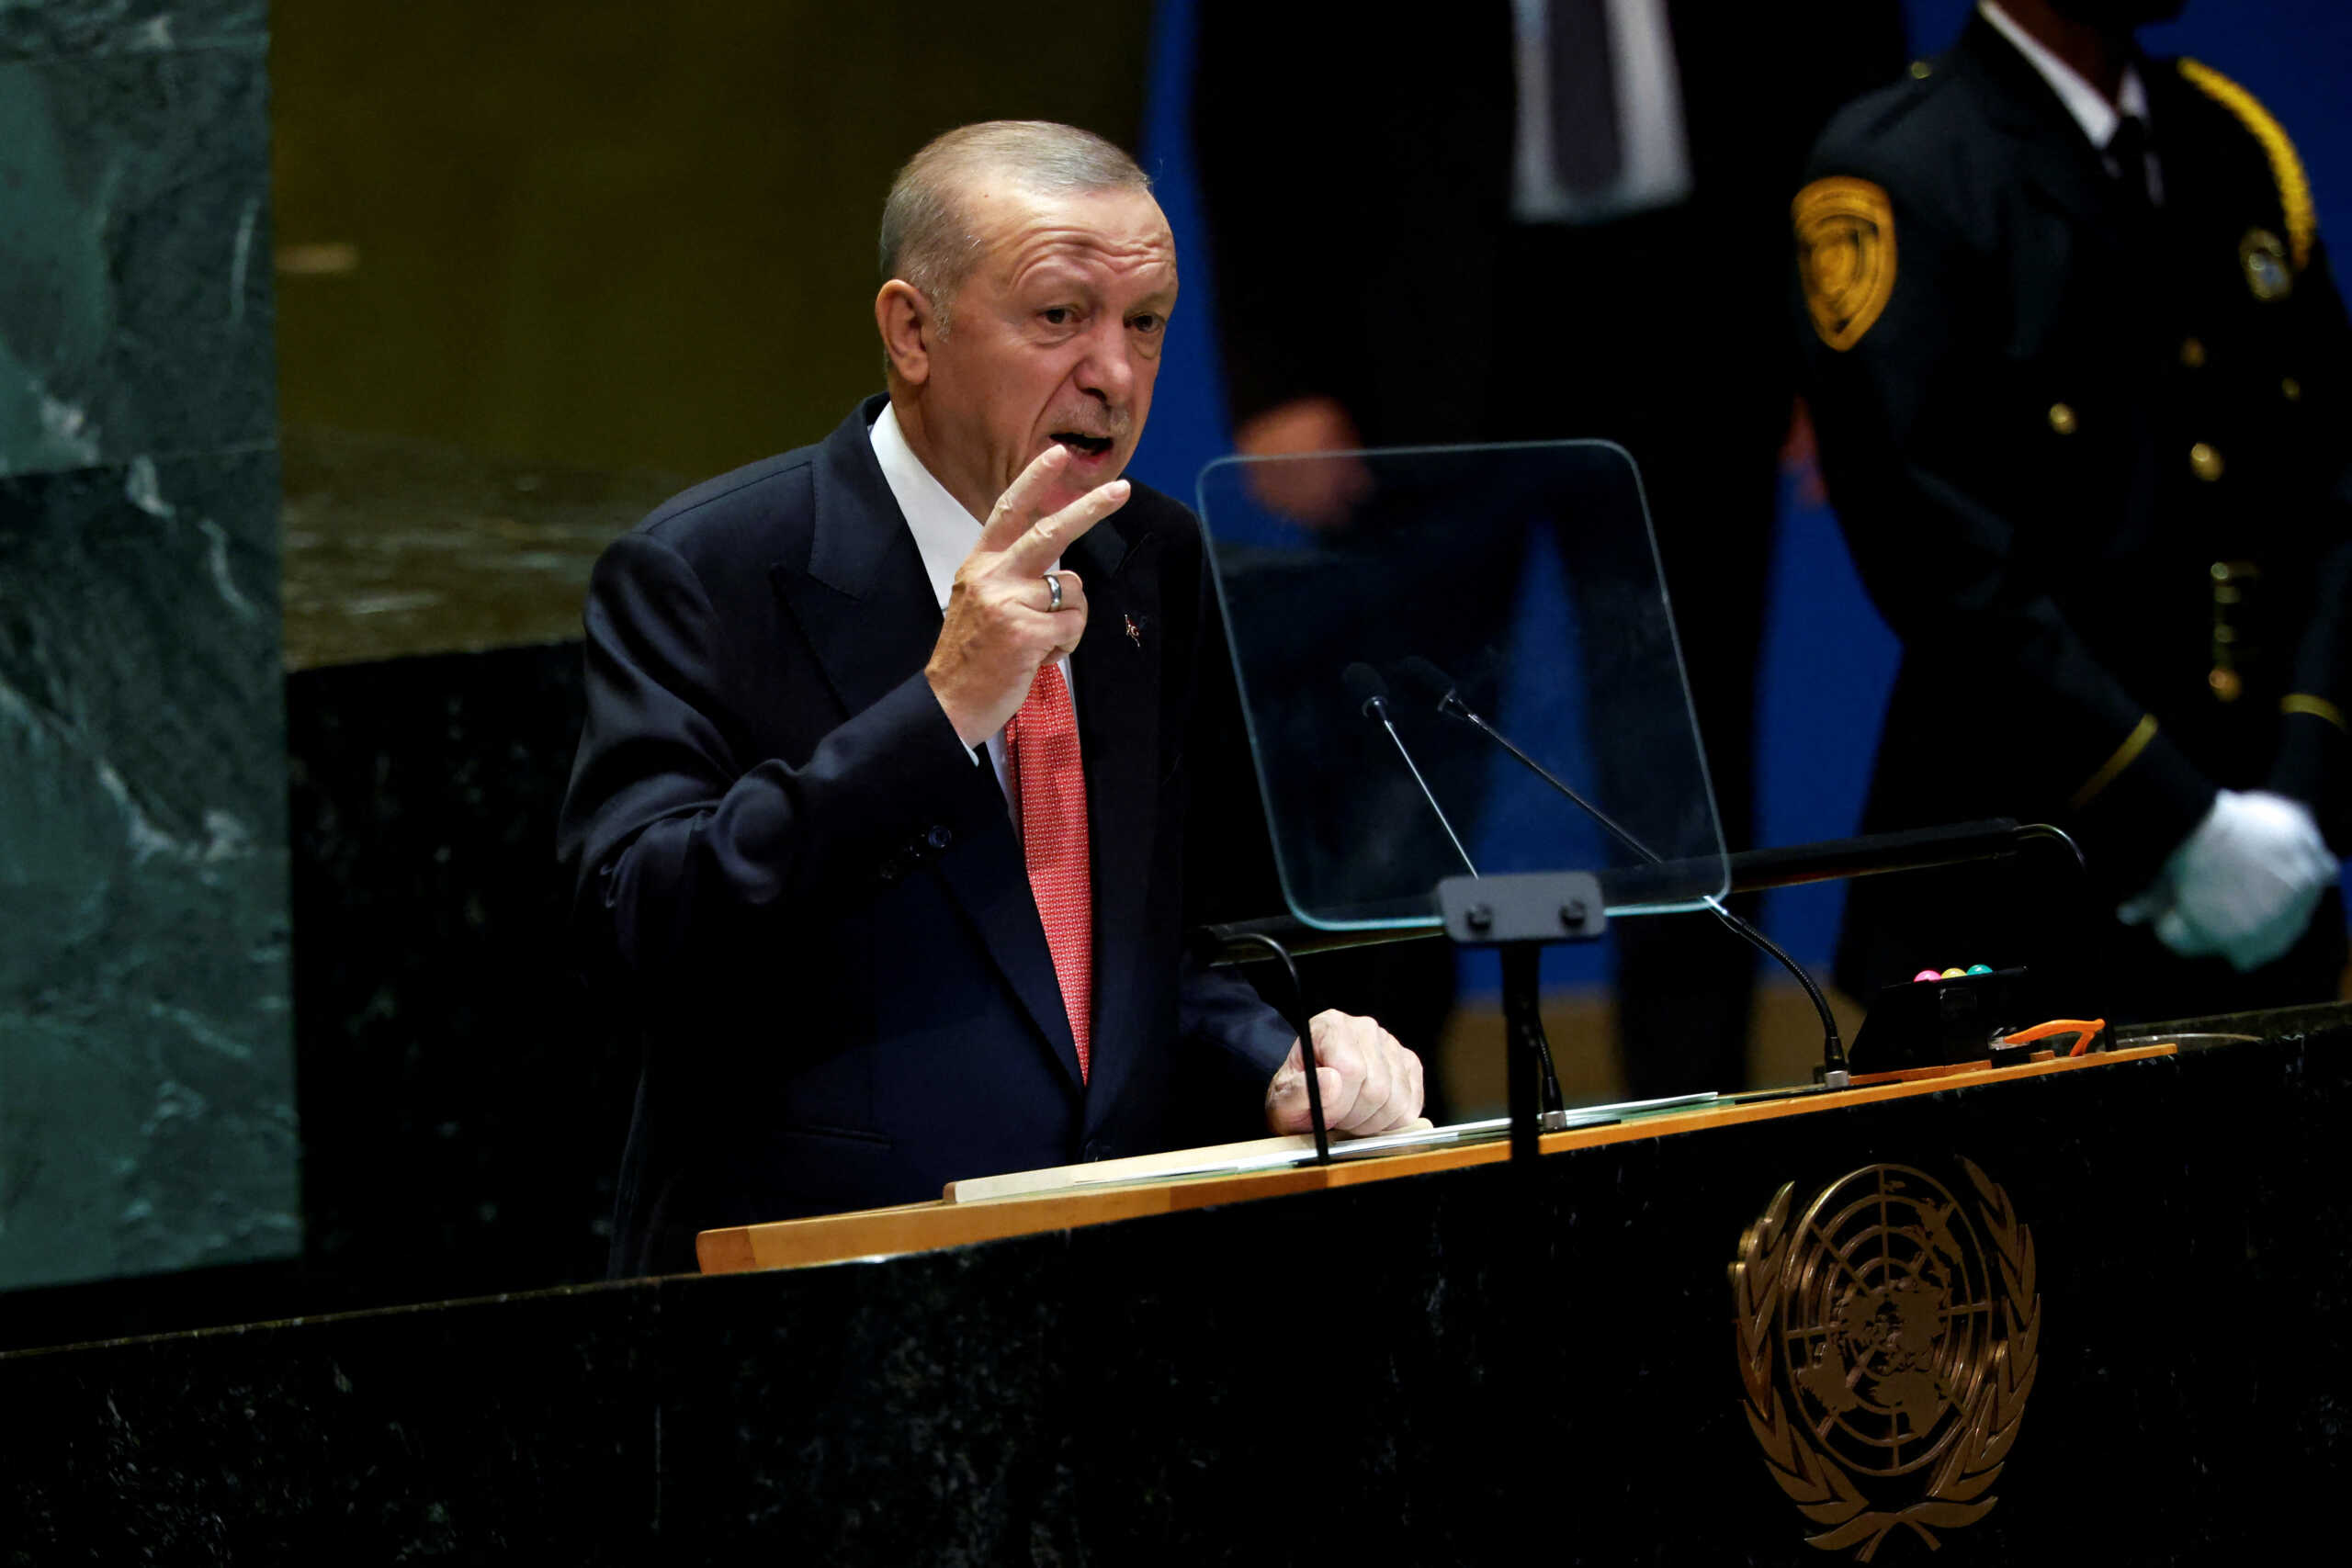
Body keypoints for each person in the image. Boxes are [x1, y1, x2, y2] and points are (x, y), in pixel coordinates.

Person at [560, 122, 1423, 1277]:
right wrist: (939, 714)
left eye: (1145, 323)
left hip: (1113, 1290)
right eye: (1060, 317)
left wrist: (1277, 1056)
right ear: (912, 330)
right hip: (820, 1306)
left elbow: (1154, 953)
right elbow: (644, 926)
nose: (1113, 374)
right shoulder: (709, 573)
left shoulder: (1152, 562)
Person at [1193, 2, 1905, 1097]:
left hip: (1705, 311)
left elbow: (1846, 63)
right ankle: (1383, 1132)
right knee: (1402, 777)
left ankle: (1695, 1140)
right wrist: (1280, 373)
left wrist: (1840, 339)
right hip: (1415, 319)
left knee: (1689, 780)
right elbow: (1254, 80)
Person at [1796, 0, 2351, 1021]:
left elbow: (2331, 494)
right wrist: (2182, 821)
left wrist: (2293, 794)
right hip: (2018, 890)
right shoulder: (1902, 168)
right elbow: (1940, 560)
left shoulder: (2231, 143)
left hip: (2272, 875)